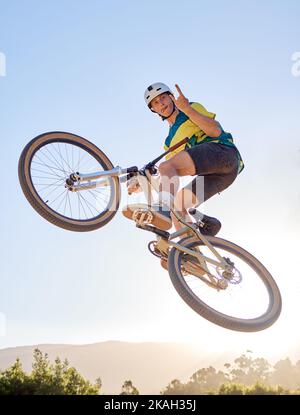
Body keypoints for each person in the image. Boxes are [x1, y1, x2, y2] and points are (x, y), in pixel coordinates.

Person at [123, 82, 244, 248]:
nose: (161, 104)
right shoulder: (169, 142)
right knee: (177, 206)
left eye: (163, 98)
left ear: (172, 97)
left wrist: (187, 109)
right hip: (218, 176)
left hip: (223, 153)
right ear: (154, 110)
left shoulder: (191, 108)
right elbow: (171, 175)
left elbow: (215, 131)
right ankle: (190, 252)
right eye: (156, 103)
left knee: (166, 168)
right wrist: (144, 184)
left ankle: (162, 209)